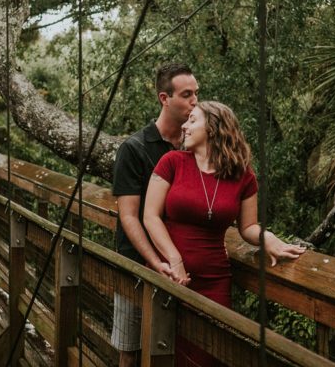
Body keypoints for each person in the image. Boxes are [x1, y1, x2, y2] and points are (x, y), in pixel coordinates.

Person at [144, 101, 305, 367]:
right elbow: (150, 216)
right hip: (169, 275)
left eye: (192, 120)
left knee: (208, 356)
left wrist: (270, 239)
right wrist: (174, 259)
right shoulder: (171, 162)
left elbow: (248, 227)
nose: (184, 125)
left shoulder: (242, 176)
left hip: (214, 281)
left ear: (213, 127)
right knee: (164, 351)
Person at [111, 63, 200, 367]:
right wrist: (155, 263)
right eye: (187, 95)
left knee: (175, 351)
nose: (194, 102)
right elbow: (129, 216)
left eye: (196, 94)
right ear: (165, 98)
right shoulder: (134, 148)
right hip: (137, 266)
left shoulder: (195, 145)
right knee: (131, 351)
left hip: (184, 267)